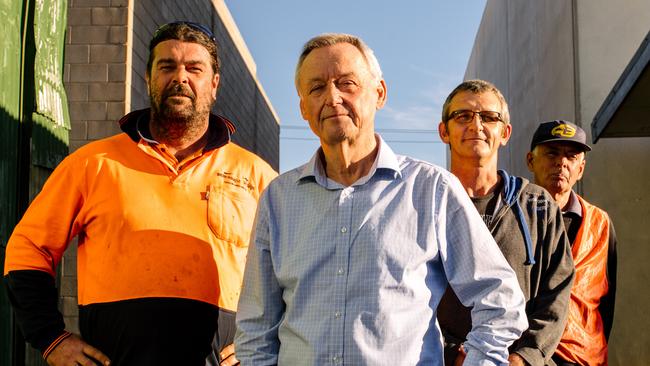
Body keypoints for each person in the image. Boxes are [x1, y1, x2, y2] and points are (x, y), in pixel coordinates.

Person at [234, 33, 528, 365]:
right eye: (316, 88)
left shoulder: (430, 189)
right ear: (303, 107)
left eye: (347, 84)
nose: (332, 97)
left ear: (379, 94)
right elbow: (257, 327)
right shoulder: (278, 199)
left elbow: (500, 300)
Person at [3, 21, 276, 366]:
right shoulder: (92, 164)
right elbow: (27, 249)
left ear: (214, 84)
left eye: (194, 68)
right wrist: (50, 338)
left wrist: (267, 339)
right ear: (148, 78)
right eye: (167, 66)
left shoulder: (257, 176)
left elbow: (295, 273)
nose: (180, 77)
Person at [436, 80, 575, 366]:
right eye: (463, 116)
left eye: (489, 117)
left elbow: (557, 293)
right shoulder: (423, 201)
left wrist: (523, 357)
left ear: (505, 132)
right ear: (444, 132)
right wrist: (451, 353)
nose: (476, 125)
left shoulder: (536, 204)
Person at [527, 120, 617, 366]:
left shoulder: (600, 223)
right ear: (530, 160)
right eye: (552, 153)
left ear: (581, 168)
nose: (561, 163)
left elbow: (606, 303)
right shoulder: (512, 216)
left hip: (583, 356)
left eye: (572, 156)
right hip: (526, 354)